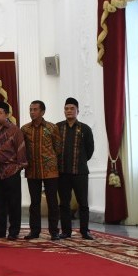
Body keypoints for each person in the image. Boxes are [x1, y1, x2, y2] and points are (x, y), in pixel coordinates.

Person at [21, 100, 63, 241]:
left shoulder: (52, 128)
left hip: (50, 170)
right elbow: (23, 149)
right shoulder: (25, 129)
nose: (32, 112)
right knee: (34, 203)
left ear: (43, 111)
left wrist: (49, 160)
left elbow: (58, 148)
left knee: (52, 202)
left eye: (35, 109)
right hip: (32, 170)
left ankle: (54, 231)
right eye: (30, 109)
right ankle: (34, 231)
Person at [57, 97, 95, 240]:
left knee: (83, 203)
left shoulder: (85, 128)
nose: (69, 111)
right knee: (64, 204)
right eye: (66, 109)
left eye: (72, 108)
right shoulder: (58, 127)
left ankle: (85, 231)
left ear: (77, 110)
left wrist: (80, 162)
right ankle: (66, 231)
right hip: (62, 173)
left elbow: (90, 150)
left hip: (80, 172)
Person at [0, 102, 27, 240]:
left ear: (7, 114)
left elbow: (21, 149)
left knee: (14, 203)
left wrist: (19, 166)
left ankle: (13, 231)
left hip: (11, 171)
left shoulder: (15, 130)